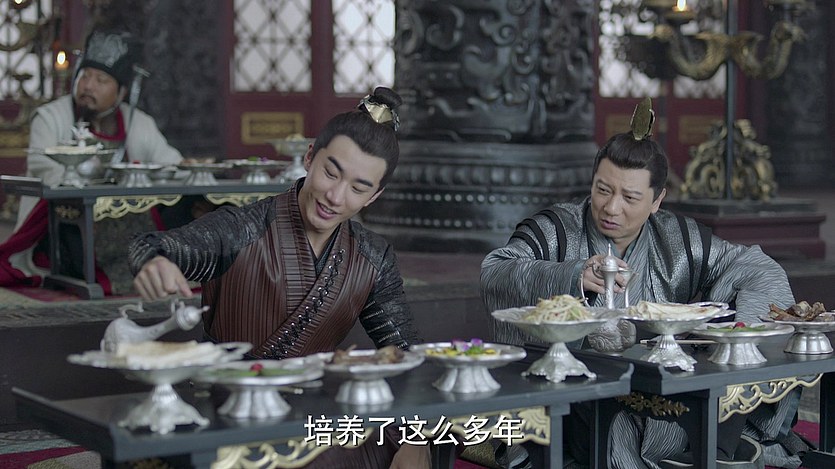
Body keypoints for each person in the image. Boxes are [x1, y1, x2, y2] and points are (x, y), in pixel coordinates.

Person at [480, 98, 807, 468]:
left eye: (630, 197)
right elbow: (496, 270)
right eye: (603, 189)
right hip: (576, 391)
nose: (611, 207)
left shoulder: (677, 238)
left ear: (657, 200)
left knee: (731, 376)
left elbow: (756, 267)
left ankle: (711, 449)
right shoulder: (555, 229)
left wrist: (740, 333)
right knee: (614, 426)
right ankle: (701, 451)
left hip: (660, 384)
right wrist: (571, 275)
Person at [128, 87, 428, 468]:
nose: (336, 197)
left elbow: (408, 352)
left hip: (310, 411)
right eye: (330, 173)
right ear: (309, 157)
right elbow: (152, 245)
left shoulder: (373, 257)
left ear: (373, 196)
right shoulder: (243, 228)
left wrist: (417, 434)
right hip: (227, 409)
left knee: (420, 435)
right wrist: (154, 261)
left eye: (358, 188)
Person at [0, 28, 183, 294]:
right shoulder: (50, 117)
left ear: (121, 93)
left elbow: (171, 165)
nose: (87, 86)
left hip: (128, 220)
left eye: (101, 80)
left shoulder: (139, 123)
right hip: (65, 221)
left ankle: (156, 272)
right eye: (84, 76)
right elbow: (42, 165)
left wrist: (185, 169)